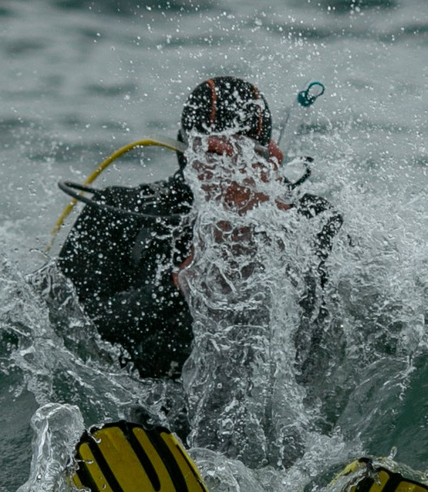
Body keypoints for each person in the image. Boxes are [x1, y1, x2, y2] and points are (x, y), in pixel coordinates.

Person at [53, 76, 338, 381]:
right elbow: (63, 325)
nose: (229, 170)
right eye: (215, 154)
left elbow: (338, 331)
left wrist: (287, 240)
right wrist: (175, 285)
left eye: (247, 153)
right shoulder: (126, 213)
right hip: (141, 398)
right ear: (187, 151)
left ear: (272, 156)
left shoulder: (311, 219)